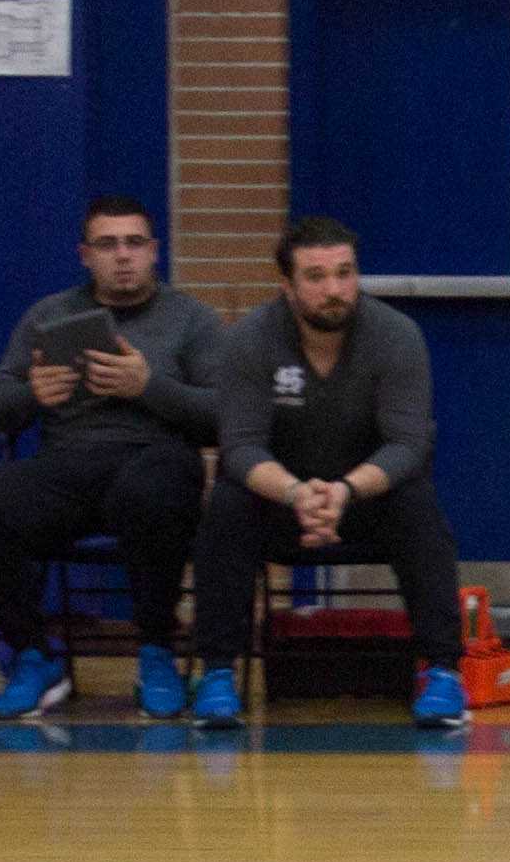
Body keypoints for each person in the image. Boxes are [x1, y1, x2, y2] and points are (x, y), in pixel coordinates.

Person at [185, 218, 464, 733]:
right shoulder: (250, 339)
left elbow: (409, 443)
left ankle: (443, 670)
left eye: (344, 273)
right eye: (315, 277)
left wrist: (344, 490)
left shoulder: (396, 335)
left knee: (419, 505)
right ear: (286, 287)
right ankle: (218, 673)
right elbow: (240, 446)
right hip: (280, 503)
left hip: (364, 501)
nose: (333, 290)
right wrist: (296, 494)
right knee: (226, 503)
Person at [0, 196, 226, 720]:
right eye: (107, 244)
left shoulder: (191, 320)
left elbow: (222, 416)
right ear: (85, 255)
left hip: (156, 459)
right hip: (69, 466)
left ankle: (156, 651)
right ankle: (34, 656)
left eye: (134, 243)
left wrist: (149, 387)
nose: (122, 256)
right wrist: (33, 393)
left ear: (154, 252)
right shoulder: (51, 314)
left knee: (151, 492)